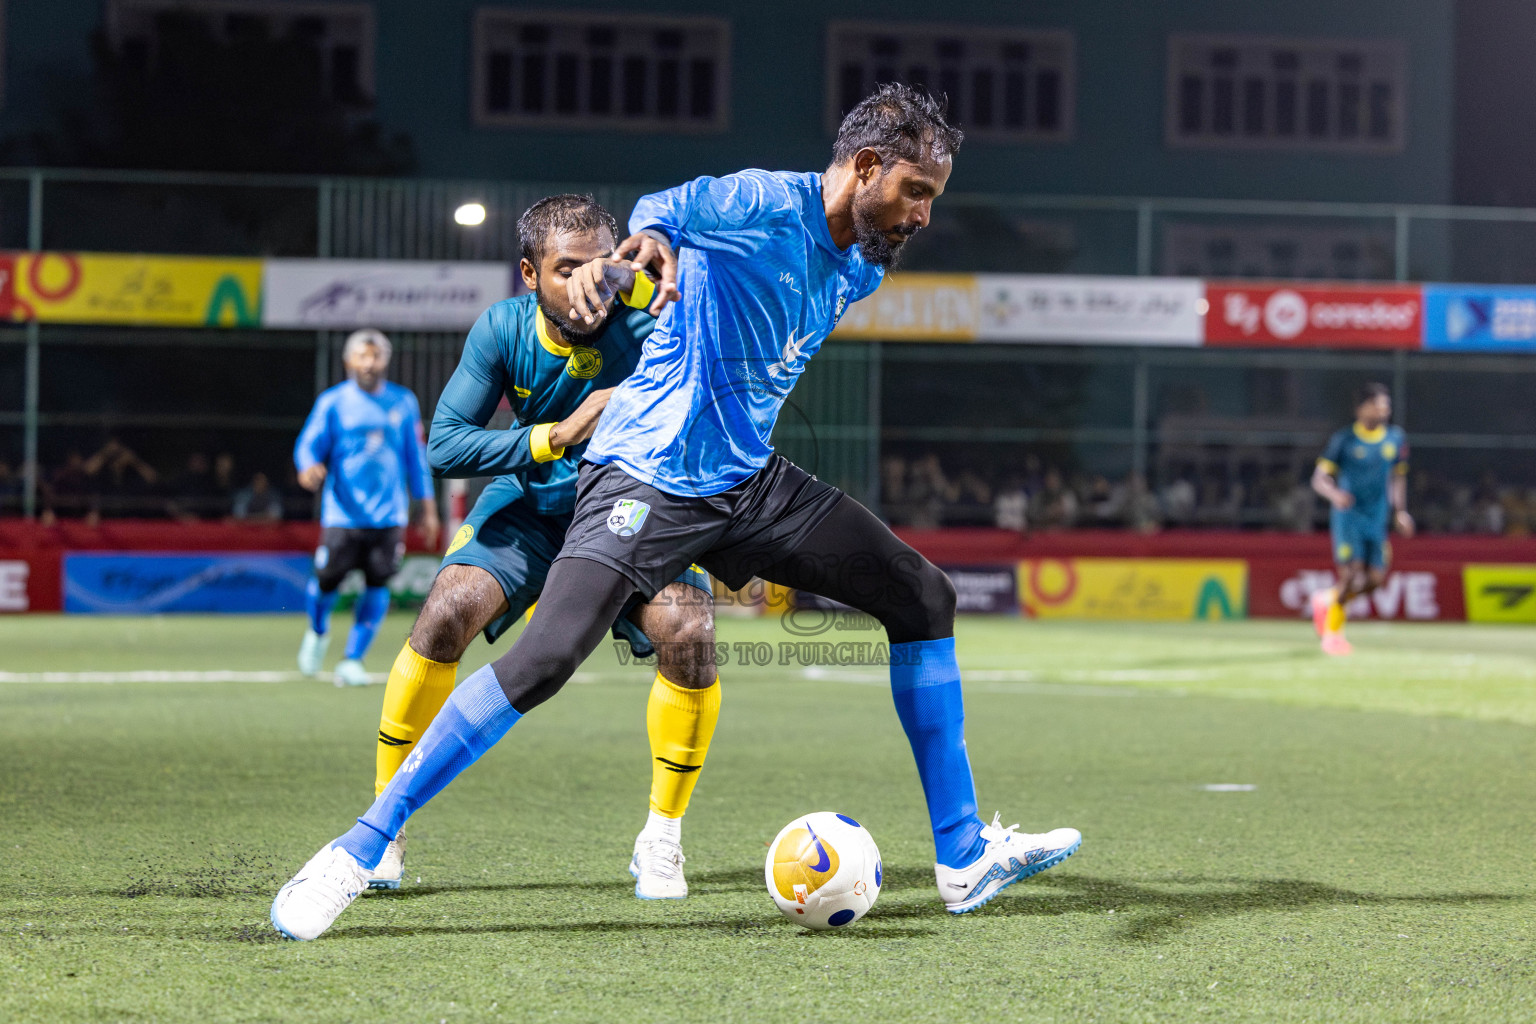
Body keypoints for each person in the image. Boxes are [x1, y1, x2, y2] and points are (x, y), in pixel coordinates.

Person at [271, 84, 1081, 941]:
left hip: (746, 484)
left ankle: (961, 856)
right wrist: (636, 256)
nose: (923, 215)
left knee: (924, 596)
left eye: (934, 199)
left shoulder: (863, 260)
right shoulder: (765, 202)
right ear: (867, 167)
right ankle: (357, 850)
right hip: (644, 477)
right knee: (545, 659)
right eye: (917, 191)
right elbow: (665, 215)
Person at [364, 194, 719, 897]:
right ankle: (383, 824)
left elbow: (714, 351)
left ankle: (662, 837)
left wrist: (653, 287)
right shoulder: (501, 329)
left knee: (688, 629)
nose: (585, 285)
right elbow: (444, 445)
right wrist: (554, 434)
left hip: (633, 506)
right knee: (445, 610)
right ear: (529, 274)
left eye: (599, 267)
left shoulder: (652, 324)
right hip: (533, 500)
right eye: (565, 270)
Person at [293, 329, 441, 687]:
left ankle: (352, 660)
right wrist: (308, 465)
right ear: (349, 361)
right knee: (327, 582)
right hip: (342, 514)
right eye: (362, 355)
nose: (369, 363)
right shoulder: (333, 402)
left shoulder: (402, 402)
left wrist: (428, 508)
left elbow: (415, 458)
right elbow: (307, 444)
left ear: (385, 361)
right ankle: (317, 632)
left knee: (378, 584)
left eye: (375, 356)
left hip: (389, 515)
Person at [1309, 383, 1413, 656]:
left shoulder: (1395, 439)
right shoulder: (1344, 440)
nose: (1385, 410)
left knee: (1375, 580)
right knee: (1352, 574)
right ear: (1362, 408)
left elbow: (1398, 477)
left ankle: (1326, 599)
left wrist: (1400, 511)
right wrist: (1335, 495)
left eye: (1387, 405)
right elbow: (1319, 478)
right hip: (1349, 518)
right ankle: (1332, 635)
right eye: (1379, 404)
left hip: (1376, 520)